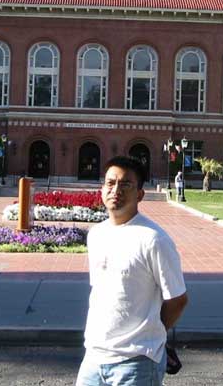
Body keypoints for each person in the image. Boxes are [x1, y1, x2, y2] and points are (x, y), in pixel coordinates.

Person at [76, 156, 188, 386]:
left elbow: (177, 299)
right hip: (94, 357)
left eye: (125, 184)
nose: (116, 190)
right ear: (102, 189)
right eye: (110, 183)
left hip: (136, 362)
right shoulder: (96, 234)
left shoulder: (154, 239)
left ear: (140, 194)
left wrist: (151, 332)